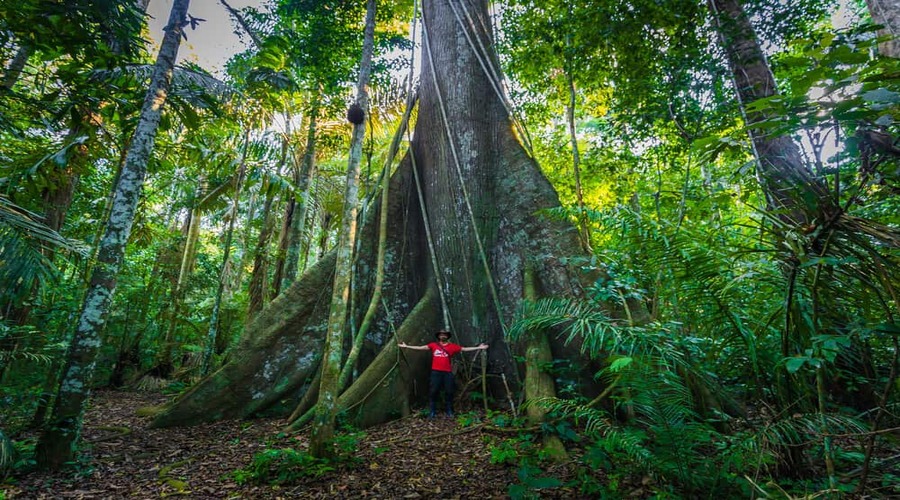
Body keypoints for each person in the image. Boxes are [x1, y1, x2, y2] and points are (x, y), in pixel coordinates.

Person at [399, 329, 488, 418]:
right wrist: (407, 346)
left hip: (447, 373)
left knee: (449, 391)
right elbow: (421, 347)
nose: (443, 336)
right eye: (441, 335)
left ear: (447, 336)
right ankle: (432, 411)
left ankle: (449, 410)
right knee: (433, 391)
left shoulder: (452, 346)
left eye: (444, 335)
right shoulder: (433, 345)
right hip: (436, 372)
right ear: (439, 336)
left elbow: (464, 349)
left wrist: (478, 347)